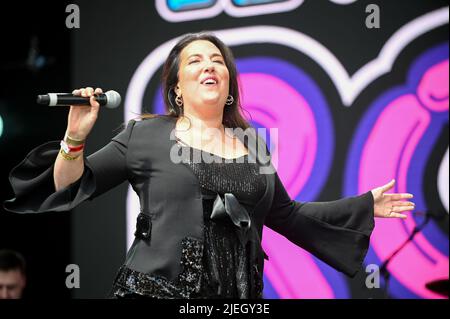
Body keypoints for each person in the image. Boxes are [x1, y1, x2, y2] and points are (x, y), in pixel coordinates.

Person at [3, 32, 415, 299]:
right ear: (177, 87)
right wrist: (75, 137)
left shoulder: (254, 147)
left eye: (217, 60)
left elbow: (288, 217)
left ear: (229, 83)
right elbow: (67, 185)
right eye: (196, 61)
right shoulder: (142, 136)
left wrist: (363, 205)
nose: (209, 66)